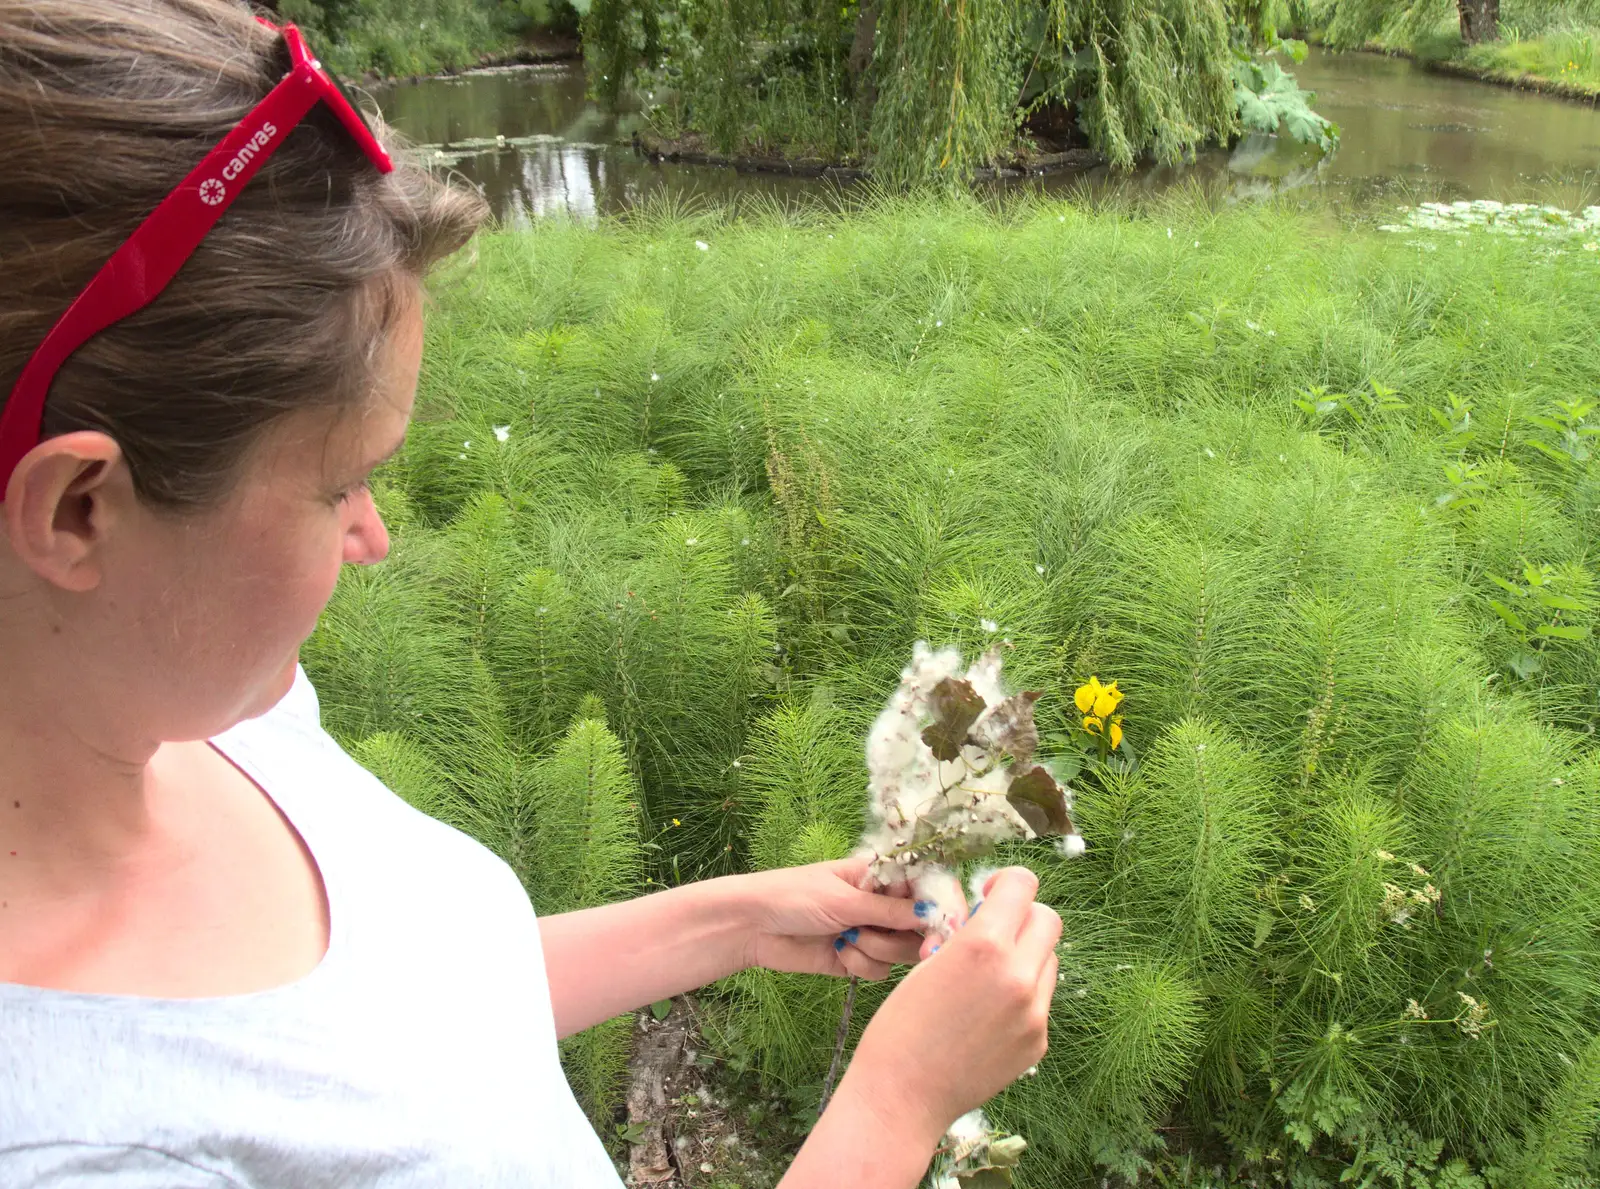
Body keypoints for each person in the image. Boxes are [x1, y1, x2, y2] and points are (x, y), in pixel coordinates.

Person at [0, 2, 1063, 1185]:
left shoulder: (197, 703)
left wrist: (734, 923)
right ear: (78, 510)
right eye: (339, 483)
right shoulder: (76, 1146)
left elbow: (386, 1037)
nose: (374, 535)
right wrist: (899, 1102)